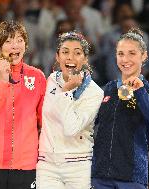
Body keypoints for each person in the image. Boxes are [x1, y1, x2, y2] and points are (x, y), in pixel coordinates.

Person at [91, 28, 149, 189]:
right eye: (121, 54)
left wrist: (141, 93)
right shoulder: (105, 90)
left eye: (132, 53)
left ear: (144, 56)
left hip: (132, 178)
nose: (125, 59)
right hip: (100, 177)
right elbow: (86, 125)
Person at [0, 20, 46, 189]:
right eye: (8, 41)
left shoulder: (37, 77)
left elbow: (43, 122)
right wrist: (3, 82)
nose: (15, 46)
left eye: (19, 40)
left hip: (25, 165)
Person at [36, 31, 104, 189]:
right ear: (57, 56)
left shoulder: (94, 93)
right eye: (65, 52)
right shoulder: (51, 81)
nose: (70, 58)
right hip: (47, 166)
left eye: (77, 53)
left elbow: (70, 128)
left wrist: (67, 91)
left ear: (85, 59)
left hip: (78, 167)